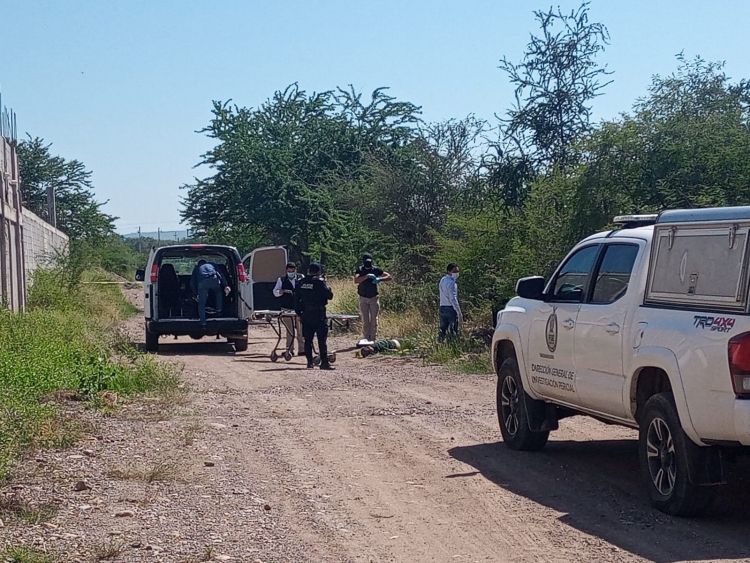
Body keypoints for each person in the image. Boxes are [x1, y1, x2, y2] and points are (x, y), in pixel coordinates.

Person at [295, 262, 335, 370]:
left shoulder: (301, 282)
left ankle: (309, 363)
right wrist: (327, 285)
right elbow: (329, 296)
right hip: (319, 314)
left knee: (308, 340)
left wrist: (299, 313)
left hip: (306, 314)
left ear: (308, 271)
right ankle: (324, 363)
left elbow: (296, 299)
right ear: (318, 272)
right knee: (322, 340)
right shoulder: (320, 283)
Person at [353, 253, 392, 342]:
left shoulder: (375, 269)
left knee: (374, 319)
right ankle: (366, 338)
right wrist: (366, 276)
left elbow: (389, 276)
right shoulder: (360, 270)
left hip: (373, 297)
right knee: (365, 320)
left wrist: (380, 279)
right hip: (363, 297)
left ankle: (373, 338)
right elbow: (356, 280)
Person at [273, 261, 305, 356]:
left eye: (293, 270)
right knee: (289, 330)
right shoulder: (281, 280)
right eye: (289, 270)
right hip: (286, 308)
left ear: (295, 270)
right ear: (286, 270)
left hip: (299, 308)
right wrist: (280, 292)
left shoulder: (301, 278)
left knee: (300, 330)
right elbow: (275, 292)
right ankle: (289, 349)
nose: (291, 272)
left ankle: (302, 349)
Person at [190, 259, 230, 326]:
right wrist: (226, 285)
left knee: (201, 303)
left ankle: (203, 322)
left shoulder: (197, 267)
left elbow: (192, 282)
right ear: (206, 262)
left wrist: (195, 293)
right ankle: (219, 311)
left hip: (202, 283)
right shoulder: (212, 264)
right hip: (214, 280)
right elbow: (221, 275)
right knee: (218, 293)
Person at [438, 263, 462, 343]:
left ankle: (439, 345)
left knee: (442, 329)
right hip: (451, 308)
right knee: (453, 330)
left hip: (442, 307)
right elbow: (453, 299)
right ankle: (453, 347)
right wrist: (458, 312)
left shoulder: (443, 280)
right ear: (448, 271)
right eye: (454, 271)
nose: (456, 273)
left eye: (457, 271)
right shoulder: (452, 283)